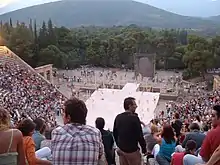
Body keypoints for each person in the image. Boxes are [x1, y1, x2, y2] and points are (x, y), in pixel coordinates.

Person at [52, 98, 106, 165]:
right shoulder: (95, 133)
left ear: (68, 117)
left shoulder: (56, 133)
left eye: (63, 113)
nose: (62, 115)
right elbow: (100, 155)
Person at [113, 97, 146, 165]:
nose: (136, 106)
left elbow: (115, 133)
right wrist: (144, 149)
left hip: (122, 150)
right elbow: (139, 135)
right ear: (129, 106)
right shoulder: (135, 118)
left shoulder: (118, 117)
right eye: (134, 104)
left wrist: (119, 145)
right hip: (132, 151)